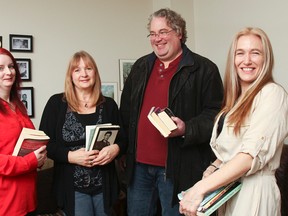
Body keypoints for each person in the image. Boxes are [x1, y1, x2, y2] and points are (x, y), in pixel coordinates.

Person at [119, 8, 223, 216]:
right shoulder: (140, 67)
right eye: (153, 33)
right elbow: (126, 112)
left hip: (179, 171)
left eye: (163, 32)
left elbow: (216, 117)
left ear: (179, 33)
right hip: (138, 169)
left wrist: (187, 128)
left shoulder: (204, 69)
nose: (157, 39)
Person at [179, 27, 288, 216]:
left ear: (266, 58)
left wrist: (199, 189)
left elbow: (248, 157)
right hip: (229, 191)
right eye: (240, 53)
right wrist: (212, 168)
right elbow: (230, 150)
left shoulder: (272, 94)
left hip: (255, 193)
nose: (246, 60)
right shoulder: (235, 102)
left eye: (255, 53)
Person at [39, 51, 125, 216]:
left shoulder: (109, 105)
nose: (84, 74)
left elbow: (123, 139)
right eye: (77, 70)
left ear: (95, 73)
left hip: (104, 186)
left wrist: (115, 149)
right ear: (70, 75)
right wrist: (70, 156)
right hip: (72, 187)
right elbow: (45, 143)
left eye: (88, 68)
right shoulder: (56, 104)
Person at [0, 47, 47, 215]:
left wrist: (40, 156)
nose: (8, 72)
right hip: (6, 203)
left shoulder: (18, 105)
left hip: (28, 198)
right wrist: (31, 161)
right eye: (1, 68)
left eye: (11, 66)